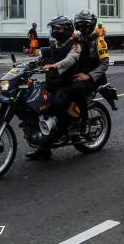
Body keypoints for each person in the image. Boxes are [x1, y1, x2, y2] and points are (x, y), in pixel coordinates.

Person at [27, 15, 80, 160]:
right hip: (51, 84)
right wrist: (30, 64)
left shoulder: (75, 45)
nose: (55, 31)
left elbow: (69, 60)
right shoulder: (54, 45)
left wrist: (53, 66)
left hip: (66, 85)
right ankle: (43, 147)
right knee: (35, 104)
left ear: (67, 29)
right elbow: (42, 58)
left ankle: (59, 133)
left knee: (56, 105)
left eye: (58, 28)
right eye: (54, 28)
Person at [71, 10, 110, 135]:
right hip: (78, 75)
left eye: (85, 24)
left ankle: (84, 122)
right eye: (80, 24)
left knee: (77, 90)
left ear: (92, 25)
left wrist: (88, 76)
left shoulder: (99, 41)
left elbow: (104, 64)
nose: (82, 27)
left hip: (93, 78)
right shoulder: (75, 40)